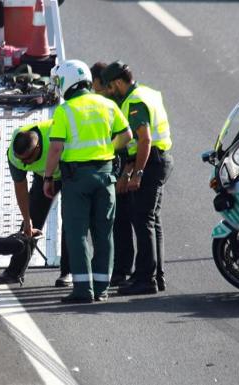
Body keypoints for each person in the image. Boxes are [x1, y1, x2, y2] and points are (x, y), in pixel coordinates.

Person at [44, 59, 132, 303]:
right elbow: (127, 135)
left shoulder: (66, 110)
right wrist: (108, 149)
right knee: (104, 233)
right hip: (106, 176)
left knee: (77, 233)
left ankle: (83, 289)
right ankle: (102, 288)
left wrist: (48, 177)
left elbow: (55, 149)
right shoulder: (107, 104)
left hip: (76, 179)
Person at [102, 61, 173, 296]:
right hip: (155, 160)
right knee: (151, 220)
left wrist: (138, 173)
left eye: (110, 86)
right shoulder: (147, 92)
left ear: (119, 82)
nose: (110, 91)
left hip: (150, 161)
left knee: (143, 220)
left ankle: (146, 279)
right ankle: (154, 275)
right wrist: (130, 170)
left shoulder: (134, 102)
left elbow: (144, 140)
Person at [0, 120, 71, 287]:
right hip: (44, 176)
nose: (25, 163)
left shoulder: (57, 138)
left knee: (71, 220)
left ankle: (68, 272)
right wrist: (27, 219)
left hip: (70, 171)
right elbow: (20, 188)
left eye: (28, 159)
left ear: (37, 148)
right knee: (32, 221)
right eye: (22, 160)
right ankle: (14, 271)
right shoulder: (16, 157)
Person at [91, 61, 135, 287]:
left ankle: (121, 270)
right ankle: (120, 269)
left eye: (96, 85)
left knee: (119, 221)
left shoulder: (108, 103)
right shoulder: (111, 100)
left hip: (119, 165)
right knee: (118, 221)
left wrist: (125, 169)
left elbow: (124, 138)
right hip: (117, 164)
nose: (95, 90)